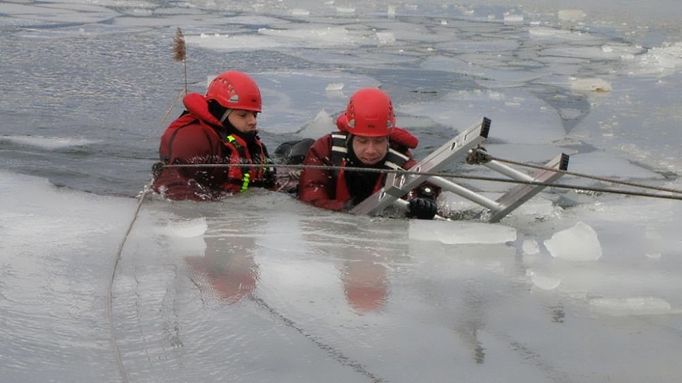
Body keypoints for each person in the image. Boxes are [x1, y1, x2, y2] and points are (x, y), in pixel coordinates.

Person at [297, 87, 438, 219]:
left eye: (378, 141)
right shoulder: (325, 148)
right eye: (362, 141)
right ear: (349, 137)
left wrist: (425, 200)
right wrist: (344, 208)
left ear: (388, 140)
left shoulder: (400, 159)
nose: (370, 150)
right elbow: (310, 197)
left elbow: (426, 183)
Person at [152, 70, 275, 200]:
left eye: (255, 115)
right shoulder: (192, 139)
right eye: (243, 115)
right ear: (221, 114)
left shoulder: (249, 141)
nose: (253, 122)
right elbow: (171, 187)